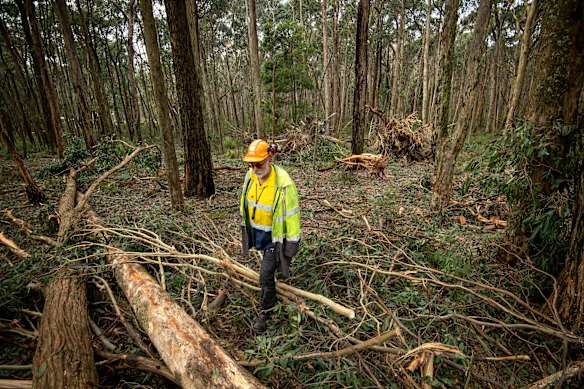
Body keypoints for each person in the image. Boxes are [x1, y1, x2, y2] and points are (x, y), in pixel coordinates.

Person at [240, 139, 301, 334]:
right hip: (258, 234)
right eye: (251, 164)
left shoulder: (284, 185)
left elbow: (292, 217)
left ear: (270, 159)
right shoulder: (250, 177)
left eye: (259, 164)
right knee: (265, 273)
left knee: (265, 276)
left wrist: (291, 246)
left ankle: (266, 311)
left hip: (275, 239)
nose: (254, 168)